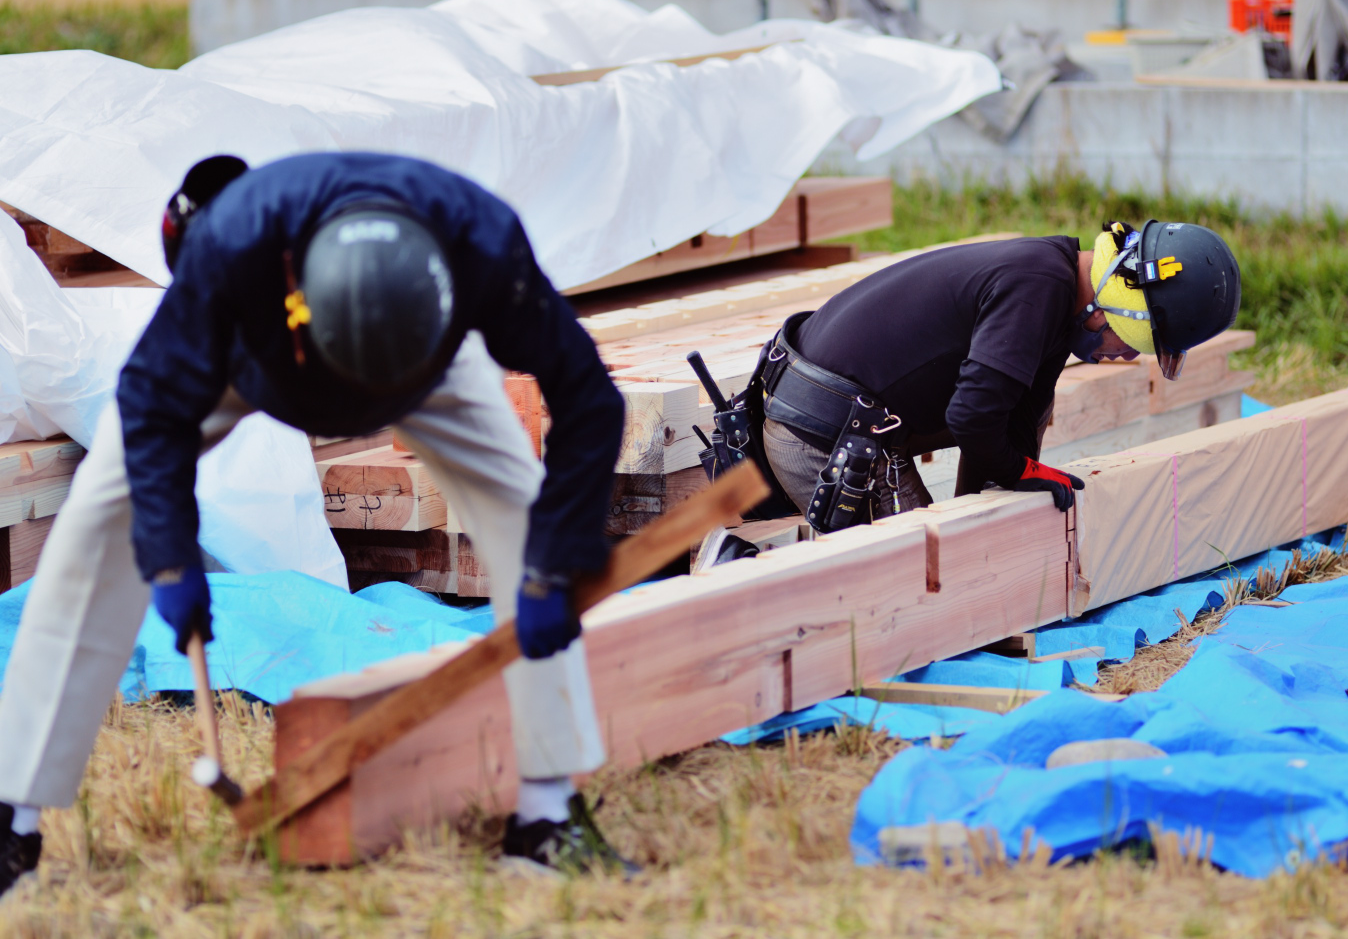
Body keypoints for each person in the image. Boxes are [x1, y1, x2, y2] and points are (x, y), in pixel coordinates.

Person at [0, 151, 633, 895]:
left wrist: (557, 564)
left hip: (429, 366)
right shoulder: (228, 260)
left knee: (526, 523)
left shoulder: (484, 247)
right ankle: (13, 820)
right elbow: (150, 424)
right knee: (95, 524)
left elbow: (592, 401)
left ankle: (548, 819)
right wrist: (170, 561)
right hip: (255, 362)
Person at [750, 221, 1241, 532]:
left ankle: (981, 523)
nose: (1127, 356)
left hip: (861, 417)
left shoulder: (1058, 281)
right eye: (1133, 343)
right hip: (826, 437)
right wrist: (1018, 473)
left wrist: (1011, 493)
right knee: (926, 581)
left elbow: (1017, 414)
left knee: (1026, 406)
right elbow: (972, 417)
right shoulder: (1036, 288)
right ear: (1108, 310)